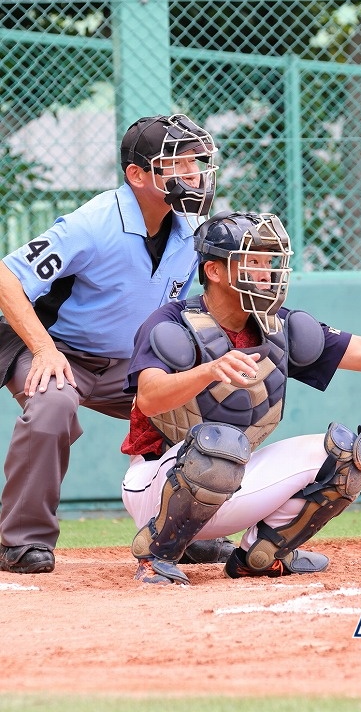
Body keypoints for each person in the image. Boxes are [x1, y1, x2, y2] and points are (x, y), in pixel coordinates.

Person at [120, 210, 361, 586]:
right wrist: (208, 371)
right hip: (156, 486)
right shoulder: (172, 322)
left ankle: (260, 555)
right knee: (220, 445)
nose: (266, 272)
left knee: (347, 454)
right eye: (252, 262)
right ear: (213, 271)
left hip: (230, 480)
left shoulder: (279, 326)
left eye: (269, 262)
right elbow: (149, 398)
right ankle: (157, 554)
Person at [0, 112, 234, 575]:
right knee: (52, 406)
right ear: (137, 175)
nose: (193, 173)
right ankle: (21, 542)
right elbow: (6, 277)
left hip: (126, 360)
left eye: (196, 161)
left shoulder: (191, 229)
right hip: (55, 349)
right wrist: (44, 350)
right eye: (178, 163)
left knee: (197, 408)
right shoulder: (93, 222)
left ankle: (180, 533)